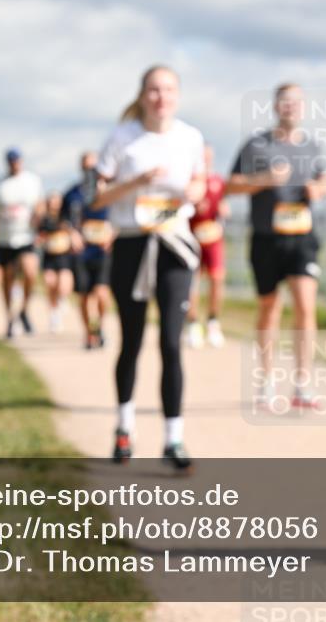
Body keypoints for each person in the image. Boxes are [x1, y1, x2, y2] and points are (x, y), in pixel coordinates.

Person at [91, 65, 206, 471]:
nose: (161, 97)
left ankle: (173, 438)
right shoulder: (122, 139)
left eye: (169, 89)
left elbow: (199, 184)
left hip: (174, 245)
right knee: (132, 341)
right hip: (131, 244)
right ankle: (124, 429)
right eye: (154, 90)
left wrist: (192, 191)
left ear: (178, 95)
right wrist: (136, 181)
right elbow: (97, 197)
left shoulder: (190, 137)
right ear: (142, 95)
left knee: (172, 344)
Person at [227, 83, 326, 411]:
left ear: (303, 108)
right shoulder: (256, 146)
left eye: (297, 102)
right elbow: (230, 185)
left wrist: (319, 189)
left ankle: (302, 383)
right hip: (265, 237)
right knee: (269, 308)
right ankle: (267, 381)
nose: (291, 107)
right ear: (275, 106)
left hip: (302, 236)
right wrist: (263, 180)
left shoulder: (313, 146)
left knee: (305, 306)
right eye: (285, 102)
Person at [0, 149, 44, 339]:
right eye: (11, 161)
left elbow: (40, 204)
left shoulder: (32, 181)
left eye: (17, 161)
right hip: (5, 238)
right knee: (8, 280)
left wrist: (37, 217)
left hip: (25, 236)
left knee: (30, 273)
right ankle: (10, 318)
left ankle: (24, 310)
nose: (14, 164)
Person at [62, 151, 114, 350]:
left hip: (102, 251)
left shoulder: (109, 192)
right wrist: (72, 234)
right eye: (86, 167)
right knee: (84, 295)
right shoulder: (73, 193)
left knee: (101, 293)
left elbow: (121, 217)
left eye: (93, 167)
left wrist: (112, 233)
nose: (89, 171)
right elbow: (64, 219)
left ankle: (99, 327)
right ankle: (88, 334)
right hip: (82, 252)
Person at [186, 144, 230, 349]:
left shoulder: (217, 181)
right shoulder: (189, 181)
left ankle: (213, 321)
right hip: (191, 237)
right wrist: (193, 208)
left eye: (208, 157)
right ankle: (193, 323)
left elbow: (223, 206)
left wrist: (223, 211)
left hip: (213, 238)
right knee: (192, 283)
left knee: (217, 278)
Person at [37, 191, 75, 333]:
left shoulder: (66, 216)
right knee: (50, 283)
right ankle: (54, 314)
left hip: (63, 255)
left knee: (63, 284)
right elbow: (40, 234)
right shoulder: (44, 219)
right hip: (49, 255)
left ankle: (62, 300)